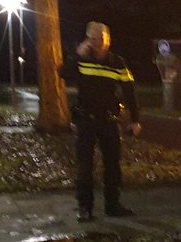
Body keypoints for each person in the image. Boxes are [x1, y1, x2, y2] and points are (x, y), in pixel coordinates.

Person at [60, 21, 141, 222]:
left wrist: (135, 119)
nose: (98, 43)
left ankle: (113, 205)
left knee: (113, 165)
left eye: (101, 39)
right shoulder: (81, 60)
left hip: (109, 121)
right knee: (85, 166)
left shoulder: (118, 62)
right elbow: (63, 74)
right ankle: (85, 208)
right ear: (87, 39)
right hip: (86, 121)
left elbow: (130, 91)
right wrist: (77, 55)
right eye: (93, 39)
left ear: (108, 39)